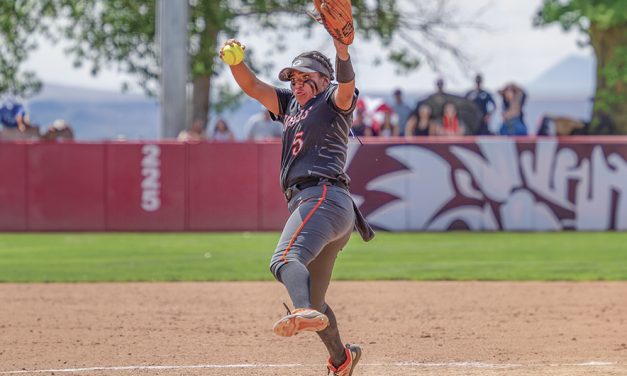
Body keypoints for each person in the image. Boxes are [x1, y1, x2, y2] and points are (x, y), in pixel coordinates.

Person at [220, 33, 374, 376]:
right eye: (294, 78)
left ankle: (302, 310)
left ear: (324, 81)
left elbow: (347, 86)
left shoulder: (332, 102)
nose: (299, 83)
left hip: (322, 196)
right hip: (329, 206)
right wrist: (235, 63)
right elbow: (254, 88)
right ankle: (341, 360)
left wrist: (342, 52)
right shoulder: (291, 104)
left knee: (284, 259)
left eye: (307, 78)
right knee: (315, 300)